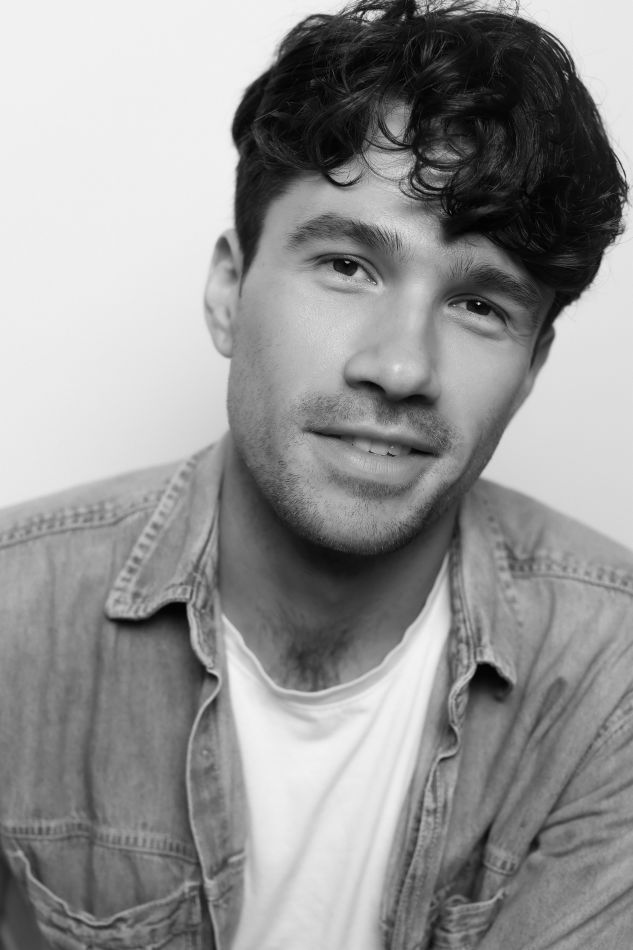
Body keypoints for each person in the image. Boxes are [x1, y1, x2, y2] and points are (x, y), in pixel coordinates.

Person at [0, 0, 631, 947]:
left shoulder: (611, 677)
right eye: (346, 265)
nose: (401, 367)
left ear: (531, 367)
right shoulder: (14, 615)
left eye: (479, 305)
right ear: (228, 290)